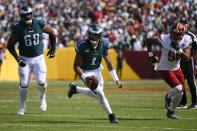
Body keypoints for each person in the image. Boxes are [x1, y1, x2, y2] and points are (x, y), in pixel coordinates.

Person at [68, 24, 123, 123]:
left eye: (96, 35)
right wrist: (85, 77)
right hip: (86, 72)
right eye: (92, 35)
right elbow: (76, 66)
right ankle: (111, 116)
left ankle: (75, 89)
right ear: (89, 34)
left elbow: (109, 63)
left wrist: (116, 79)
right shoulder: (82, 45)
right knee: (100, 93)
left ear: (100, 35)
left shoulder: (104, 43)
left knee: (98, 94)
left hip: (97, 70)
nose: (94, 37)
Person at [7, 6, 56, 115]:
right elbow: (10, 45)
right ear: (21, 16)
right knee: (24, 83)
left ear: (31, 14)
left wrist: (53, 49)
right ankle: (22, 106)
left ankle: (42, 97)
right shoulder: (18, 28)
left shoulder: (39, 23)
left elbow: (52, 33)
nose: (28, 16)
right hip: (25, 58)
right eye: (25, 15)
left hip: (38, 58)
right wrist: (17, 58)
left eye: (29, 14)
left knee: (42, 82)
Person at [145, 21, 191, 119]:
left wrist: (179, 50)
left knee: (181, 92)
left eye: (177, 34)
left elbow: (187, 58)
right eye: (173, 34)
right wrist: (151, 56)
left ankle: (171, 112)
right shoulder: (165, 39)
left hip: (176, 68)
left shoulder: (186, 40)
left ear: (182, 34)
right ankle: (167, 97)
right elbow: (148, 40)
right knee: (178, 88)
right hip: (165, 68)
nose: (175, 36)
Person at [177, 18, 197, 109]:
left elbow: (196, 50)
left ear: (188, 25)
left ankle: (195, 102)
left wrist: (196, 63)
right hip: (180, 60)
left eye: (184, 23)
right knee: (180, 82)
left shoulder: (192, 36)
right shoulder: (177, 33)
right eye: (181, 23)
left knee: (191, 81)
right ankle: (183, 103)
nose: (183, 25)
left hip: (189, 60)